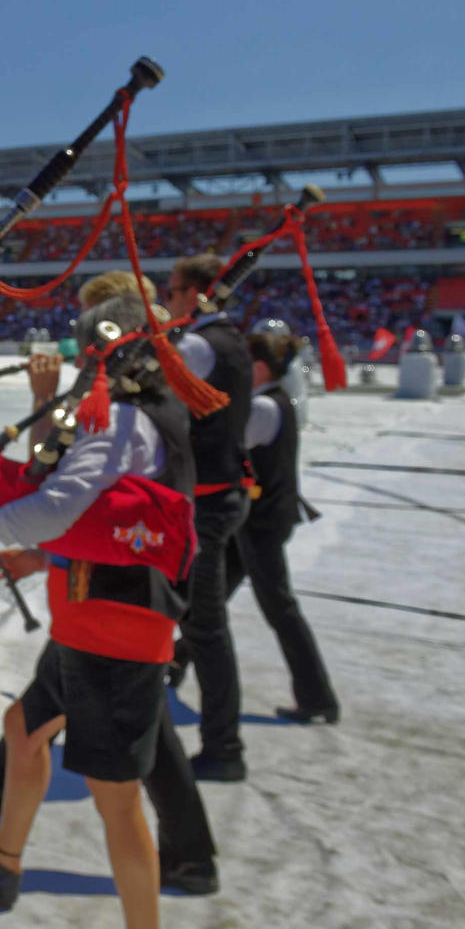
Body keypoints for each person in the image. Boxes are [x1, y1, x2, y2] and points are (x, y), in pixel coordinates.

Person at [0, 287, 194, 929]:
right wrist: (42, 552)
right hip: (93, 627)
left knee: (117, 798)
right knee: (25, 727)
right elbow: (107, 517)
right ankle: (5, 860)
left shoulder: (121, 423)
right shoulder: (147, 419)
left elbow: (61, 502)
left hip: (111, 636)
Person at [164, 254, 254, 783]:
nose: (167, 299)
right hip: (220, 493)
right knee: (200, 624)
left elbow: (158, 399)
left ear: (195, 295)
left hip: (203, 501)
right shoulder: (230, 340)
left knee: (205, 628)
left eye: (173, 291)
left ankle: (224, 747)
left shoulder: (197, 346)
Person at [229, 329, 338, 724]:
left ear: (258, 367)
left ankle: (317, 695)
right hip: (261, 518)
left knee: (279, 608)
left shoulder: (262, 408)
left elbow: (225, 443)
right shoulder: (273, 401)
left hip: (261, 522)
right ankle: (177, 659)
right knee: (211, 595)